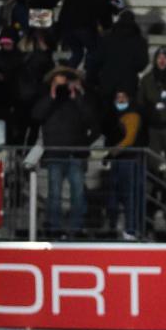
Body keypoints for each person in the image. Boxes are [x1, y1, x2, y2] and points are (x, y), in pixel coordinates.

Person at [33, 66, 98, 236]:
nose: (63, 85)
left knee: (78, 194)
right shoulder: (46, 97)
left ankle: (76, 228)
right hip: (55, 153)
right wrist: (51, 96)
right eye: (58, 80)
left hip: (75, 153)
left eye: (65, 81)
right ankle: (53, 228)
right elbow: (36, 115)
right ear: (52, 82)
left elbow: (91, 117)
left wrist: (77, 97)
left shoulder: (78, 98)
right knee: (54, 194)